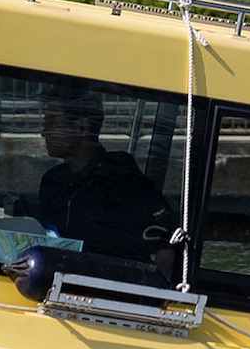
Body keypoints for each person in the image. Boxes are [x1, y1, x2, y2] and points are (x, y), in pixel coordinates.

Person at [38, 90, 177, 264]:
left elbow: (169, 236)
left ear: (81, 127)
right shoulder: (52, 181)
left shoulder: (122, 177)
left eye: (52, 123)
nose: (44, 133)